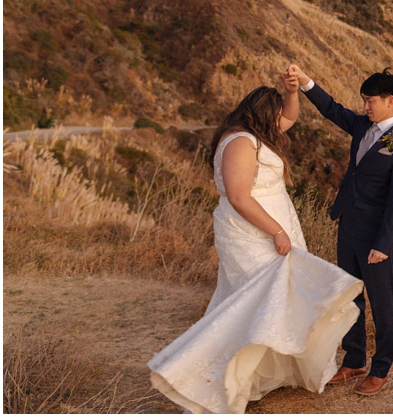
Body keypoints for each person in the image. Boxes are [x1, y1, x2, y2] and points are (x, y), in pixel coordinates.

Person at [148, 77, 364, 414]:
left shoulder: (254, 135)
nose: (282, 123)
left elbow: (290, 117)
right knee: (256, 299)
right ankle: (219, 376)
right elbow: (238, 197)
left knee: (275, 299)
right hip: (252, 232)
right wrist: (277, 231)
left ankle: (257, 374)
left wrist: (292, 92)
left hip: (270, 227)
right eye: (276, 114)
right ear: (263, 116)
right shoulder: (240, 143)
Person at [286, 64, 393, 396]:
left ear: (390, 101)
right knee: (349, 297)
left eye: (370, 101)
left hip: (377, 237)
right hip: (348, 225)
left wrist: (384, 243)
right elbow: (331, 108)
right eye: (363, 101)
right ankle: (354, 359)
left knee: (383, 303)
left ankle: (381, 368)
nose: (365, 107)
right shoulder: (361, 125)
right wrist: (305, 82)